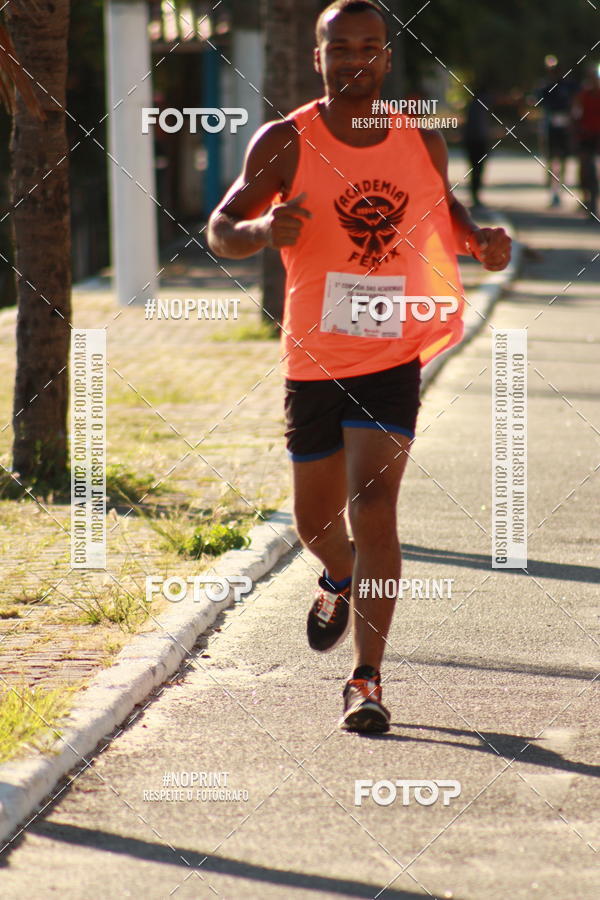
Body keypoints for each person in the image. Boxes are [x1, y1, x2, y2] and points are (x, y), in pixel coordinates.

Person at [207, 0, 511, 733]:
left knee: (374, 508)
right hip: (314, 355)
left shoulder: (419, 138)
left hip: (389, 353)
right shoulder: (287, 141)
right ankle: (338, 573)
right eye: (339, 48)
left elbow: (442, 210)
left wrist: (477, 238)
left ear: (386, 57)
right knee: (317, 521)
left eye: (369, 47)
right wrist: (260, 230)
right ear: (318, 57)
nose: (355, 59)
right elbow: (220, 228)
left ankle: (366, 679)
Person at [537, 64, 577, 208]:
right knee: (551, 159)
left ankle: (560, 188)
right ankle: (552, 190)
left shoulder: (568, 86)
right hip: (550, 127)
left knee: (564, 159)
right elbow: (540, 103)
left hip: (564, 128)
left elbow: (575, 102)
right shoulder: (546, 87)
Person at [573, 68, 600, 219]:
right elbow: (575, 114)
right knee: (585, 168)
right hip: (586, 137)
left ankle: (593, 201)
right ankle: (586, 198)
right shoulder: (583, 95)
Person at [463, 86, 493, 208]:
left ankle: (475, 194)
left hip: (474, 141)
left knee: (475, 169)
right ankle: (475, 195)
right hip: (477, 141)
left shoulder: (473, 106)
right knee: (477, 169)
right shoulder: (479, 106)